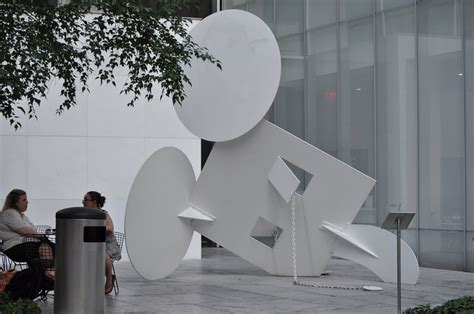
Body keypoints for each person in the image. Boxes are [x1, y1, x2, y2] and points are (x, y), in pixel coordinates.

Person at [0, 189, 55, 273]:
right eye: (24, 200)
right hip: (15, 247)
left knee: (54, 248)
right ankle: (47, 274)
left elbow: (29, 231)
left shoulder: (22, 216)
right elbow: (24, 231)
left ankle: (44, 274)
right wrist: (42, 237)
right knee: (47, 247)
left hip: (26, 245)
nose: (27, 202)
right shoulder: (9, 213)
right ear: (15, 202)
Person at [82, 191, 121, 294]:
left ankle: (109, 280)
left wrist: (93, 229)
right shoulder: (84, 215)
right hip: (92, 244)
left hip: (108, 244)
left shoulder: (103, 213)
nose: (83, 202)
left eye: (86, 200)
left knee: (103, 255)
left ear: (94, 202)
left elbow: (110, 228)